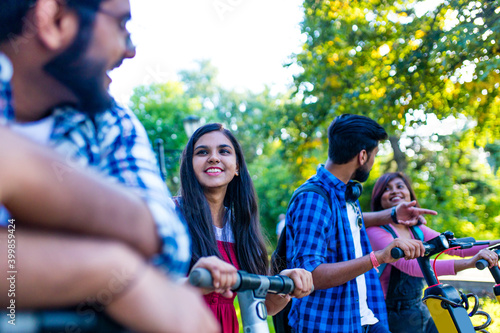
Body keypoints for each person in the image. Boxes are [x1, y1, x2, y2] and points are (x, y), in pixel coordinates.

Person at [0, 0, 218, 331]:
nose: (129, 51)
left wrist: (23, 171)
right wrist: (108, 269)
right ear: (54, 20)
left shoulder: (112, 122)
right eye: (121, 25)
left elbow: (166, 242)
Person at [285, 114, 426, 333]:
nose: (373, 161)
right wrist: (378, 257)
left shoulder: (343, 192)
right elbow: (310, 274)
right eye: (374, 155)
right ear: (362, 155)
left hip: (364, 318)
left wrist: (393, 215)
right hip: (329, 324)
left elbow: (347, 222)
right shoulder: (314, 198)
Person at [176, 123, 314, 332]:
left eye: (224, 151)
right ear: (189, 165)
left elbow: (264, 306)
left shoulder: (240, 225)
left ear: (238, 166)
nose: (213, 158)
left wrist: (285, 284)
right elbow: (143, 289)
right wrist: (192, 284)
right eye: (202, 152)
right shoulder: (169, 215)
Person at [367, 172, 500, 333]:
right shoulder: (375, 231)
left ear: (410, 195)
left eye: (400, 186)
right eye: (387, 189)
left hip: (419, 307)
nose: (394, 191)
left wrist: (496, 243)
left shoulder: (417, 229)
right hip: (393, 315)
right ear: (379, 199)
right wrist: (470, 264)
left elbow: (455, 247)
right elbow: (411, 266)